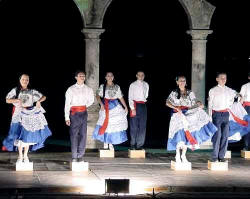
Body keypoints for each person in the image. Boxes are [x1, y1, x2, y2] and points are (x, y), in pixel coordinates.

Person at [166, 75, 217, 163]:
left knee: (187, 134)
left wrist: (199, 103)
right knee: (179, 134)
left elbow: (195, 101)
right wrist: (176, 107)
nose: (182, 82)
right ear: (177, 82)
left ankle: (183, 155)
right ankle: (177, 155)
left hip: (188, 114)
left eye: (184, 80)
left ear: (186, 82)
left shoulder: (190, 92)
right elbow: (167, 102)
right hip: (177, 115)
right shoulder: (174, 92)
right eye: (180, 81)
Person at [2, 74, 52, 163]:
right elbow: (7, 99)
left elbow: (44, 97)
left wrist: (38, 101)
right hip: (18, 114)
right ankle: (20, 156)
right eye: (23, 79)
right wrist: (16, 100)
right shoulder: (15, 90)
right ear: (20, 80)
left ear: (28, 81)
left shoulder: (32, 91)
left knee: (27, 135)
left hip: (29, 114)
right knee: (19, 135)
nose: (25, 81)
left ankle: (25, 155)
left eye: (27, 79)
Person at [92, 72, 128, 150]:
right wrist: (101, 104)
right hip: (106, 106)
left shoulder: (117, 87)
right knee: (106, 124)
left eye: (111, 75)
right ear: (105, 77)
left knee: (112, 125)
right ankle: (105, 142)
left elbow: (120, 97)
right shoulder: (102, 86)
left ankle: (111, 142)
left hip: (115, 106)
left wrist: (125, 106)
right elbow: (97, 96)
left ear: (113, 77)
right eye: (108, 76)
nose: (110, 77)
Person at [65, 70, 94, 162]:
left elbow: (91, 101)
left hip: (83, 112)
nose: (82, 77)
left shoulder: (88, 89)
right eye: (80, 76)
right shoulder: (71, 89)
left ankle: (80, 155)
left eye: (83, 76)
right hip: (74, 114)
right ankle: (74, 156)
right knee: (74, 135)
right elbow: (67, 104)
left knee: (83, 134)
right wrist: (67, 117)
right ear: (76, 77)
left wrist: (83, 107)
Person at [208, 72, 238, 162]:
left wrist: (239, 96)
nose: (223, 80)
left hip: (226, 114)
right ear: (217, 79)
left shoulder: (229, 90)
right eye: (221, 78)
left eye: (225, 78)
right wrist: (210, 117)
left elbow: (236, 94)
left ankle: (221, 157)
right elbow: (210, 104)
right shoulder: (213, 90)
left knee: (225, 136)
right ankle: (214, 157)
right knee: (217, 136)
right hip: (216, 114)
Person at [128, 71, 149, 150]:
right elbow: (130, 97)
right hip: (135, 105)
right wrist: (132, 108)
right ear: (136, 75)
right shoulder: (133, 85)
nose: (141, 76)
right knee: (134, 126)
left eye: (142, 75)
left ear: (144, 76)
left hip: (143, 105)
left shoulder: (146, 84)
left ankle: (139, 144)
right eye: (139, 75)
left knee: (142, 126)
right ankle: (133, 144)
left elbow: (146, 95)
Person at [239, 72, 250, 150]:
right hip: (247, 108)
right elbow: (240, 99)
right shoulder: (245, 86)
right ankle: (246, 146)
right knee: (247, 127)